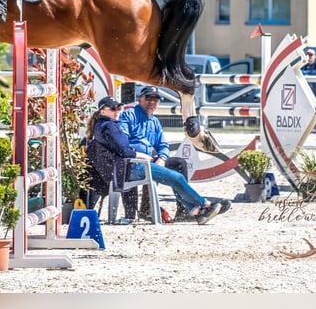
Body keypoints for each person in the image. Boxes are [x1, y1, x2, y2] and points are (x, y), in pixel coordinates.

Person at [87, 95, 224, 225]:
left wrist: (156, 156)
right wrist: (142, 155)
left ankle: (195, 211)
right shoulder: (110, 126)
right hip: (131, 167)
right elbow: (123, 150)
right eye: (113, 108)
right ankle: (206, 204)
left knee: (174, 176)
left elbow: (121, 148)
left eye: (118, 108)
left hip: (123, 169)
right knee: (176, 178)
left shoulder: (102, 125)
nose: (117, 111)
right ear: (103, 111)